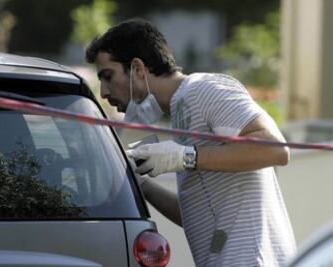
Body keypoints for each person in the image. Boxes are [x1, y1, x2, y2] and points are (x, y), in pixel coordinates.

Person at [85, 18, 296, 266]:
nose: (104, 93)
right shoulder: (180, 112)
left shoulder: (202, 89)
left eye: (108, 76)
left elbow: (276, 149)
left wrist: (187, 157)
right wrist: (139, 184)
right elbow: (196, 216)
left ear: (138, 69)